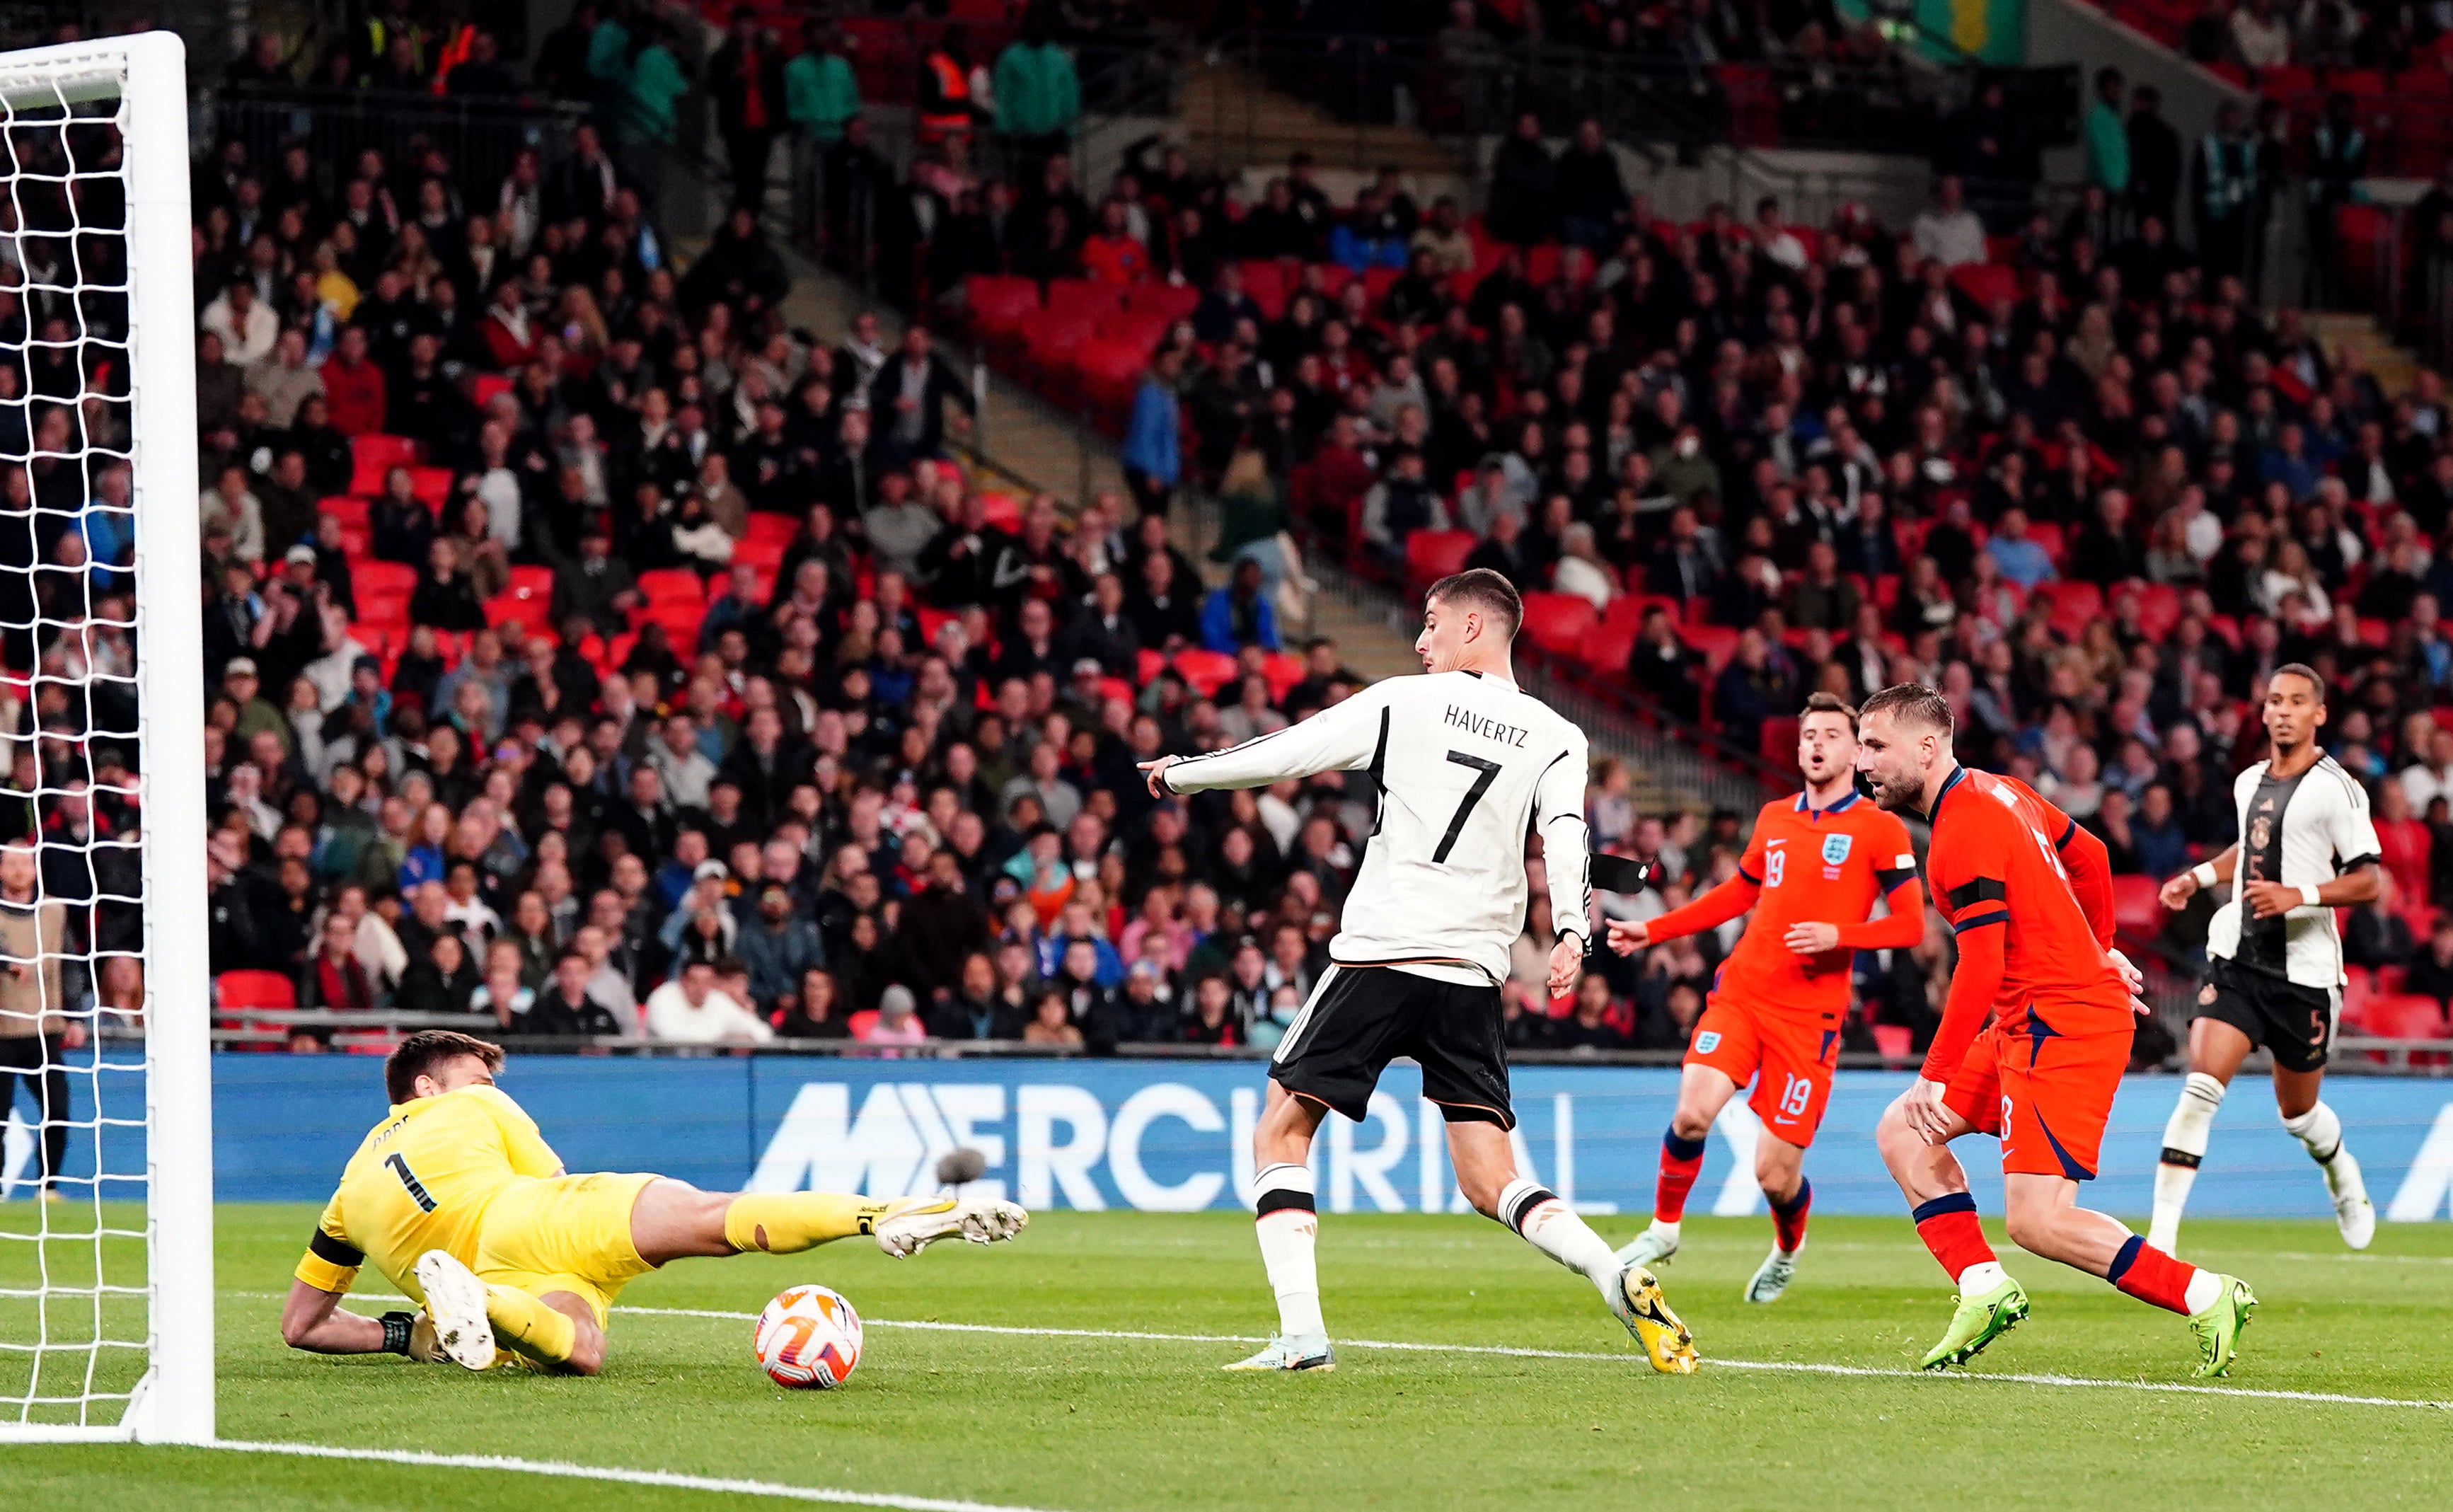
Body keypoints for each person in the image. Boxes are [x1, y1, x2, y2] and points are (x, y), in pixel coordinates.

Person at [1136, 568, 1695, 1375]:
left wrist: (1183, 770)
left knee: (1279, 1130)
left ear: (1474, 627)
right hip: (1471, 972)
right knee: (1491, 1178)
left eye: (1432, 624)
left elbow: (1289, 751)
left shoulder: (1404, 700)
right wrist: (1572, 927)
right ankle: (1613, 1275)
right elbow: (1566, 835)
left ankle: (1300, 1337)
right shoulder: (1556, 734)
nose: (1419, 640)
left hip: (1383, 951)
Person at [1853, 684, 2254, 1380]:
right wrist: (2098, 943)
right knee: (1901, 1132)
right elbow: (2091, 855)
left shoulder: (1960, 833)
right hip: (2026, 1016)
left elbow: (1977, 963)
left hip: (2061, 1023)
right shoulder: (1997, 790)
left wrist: (1932, 1071)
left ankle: (2206, 1293)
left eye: (1874, 746)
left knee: (2037, 1220)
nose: (1862, 762)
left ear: (1926, 746)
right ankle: (1983, 1287)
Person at [278, 1030, 1026, 1374]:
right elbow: (547, 1176)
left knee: (580, 1350)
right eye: (478, 1076)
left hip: (500, 1276)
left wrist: (405, 1336)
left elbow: (300, 1326)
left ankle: (484, 1307)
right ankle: (882, 1213)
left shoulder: (344, 1197)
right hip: (536, 1216)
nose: (490, 1086)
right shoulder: (474, 1107)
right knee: (716, 1217)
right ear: (427, 1088)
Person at [1604, 694, 1925, 1302]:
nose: (1816, 743)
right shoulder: (1775, 817)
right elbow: (1736, 894)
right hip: (1743, 994)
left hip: (1810, 1018)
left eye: (1831, 734)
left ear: (1856, 752)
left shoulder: (1879, 827)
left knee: (1773, 1176)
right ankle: (1663, 1230)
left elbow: (1910, 925)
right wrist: (1656, 928)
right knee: (1693, 1111)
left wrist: (1840, 935)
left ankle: (1786, 1245)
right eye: (1808, 734)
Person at [2148, 665, 2379, 1254]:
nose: (2282, 710)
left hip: (2303, 976)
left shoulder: (2339, 788)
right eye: (2274, 700)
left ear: (2317, 714)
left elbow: (2368, 880)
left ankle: (2340, 1173)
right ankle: (2161, 1241)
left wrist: (2296, 895)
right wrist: (2197, 876)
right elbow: (2249, 845)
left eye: (2297, 701)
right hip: (2236, 960)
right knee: (2199, 1088)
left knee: (2297, 1115)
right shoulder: (2249, 780)